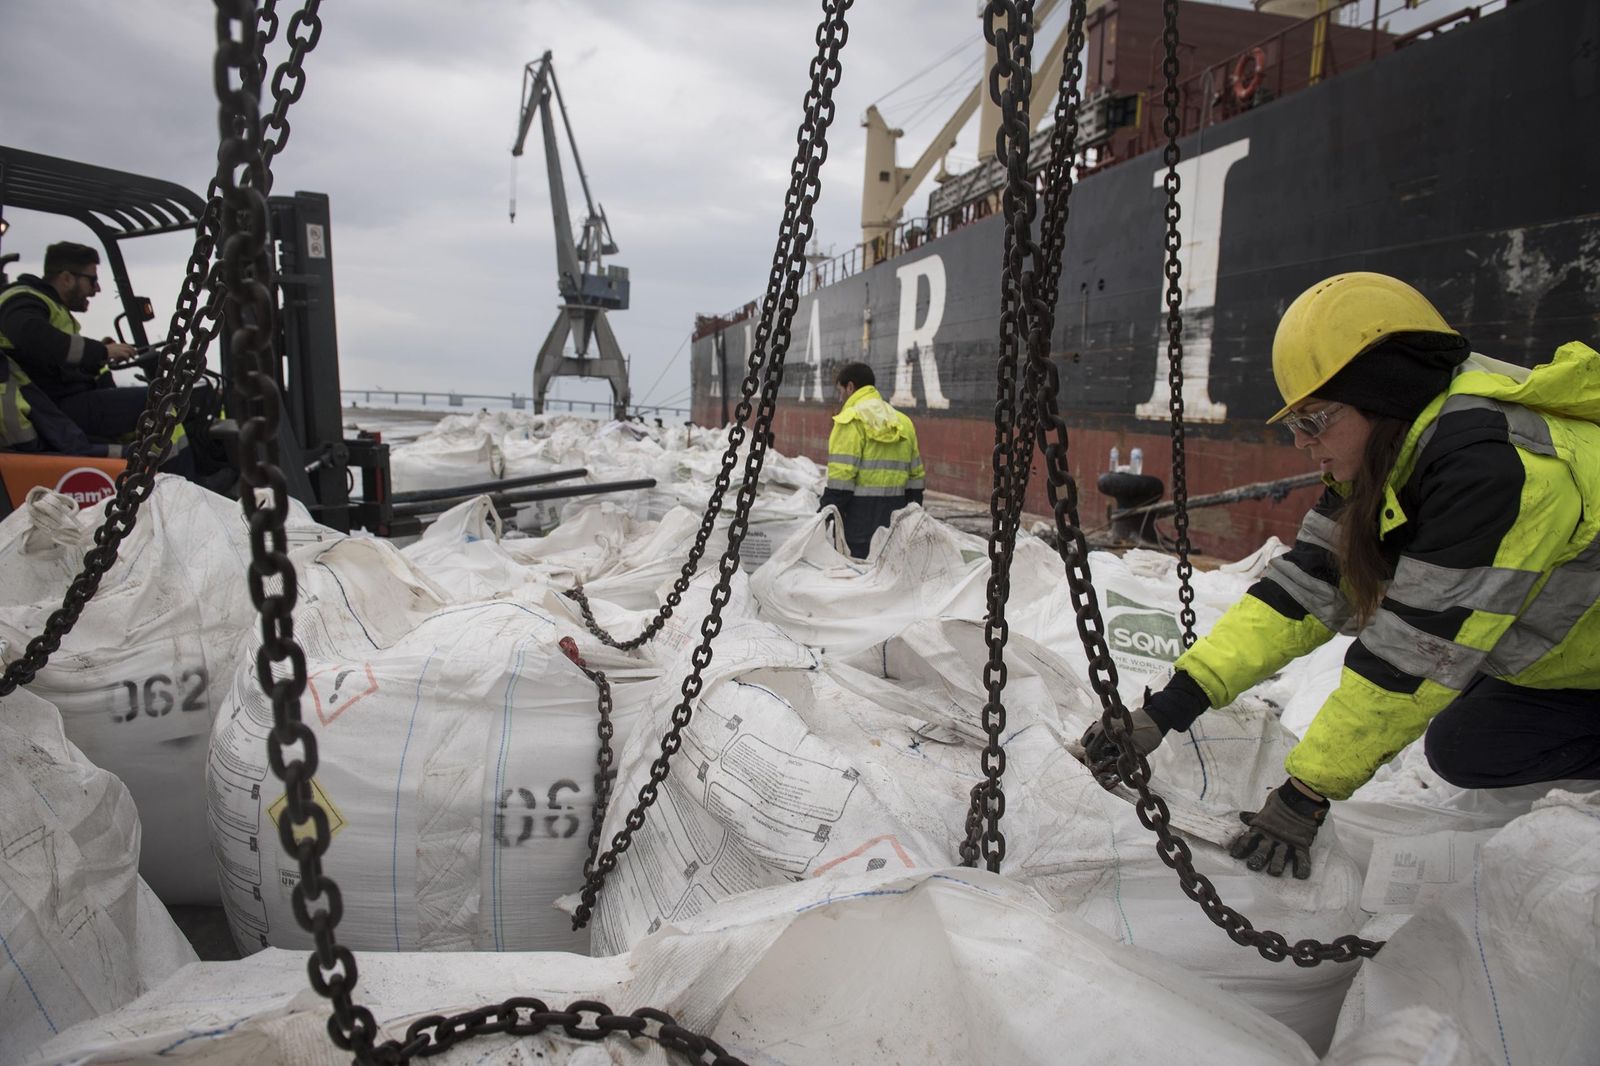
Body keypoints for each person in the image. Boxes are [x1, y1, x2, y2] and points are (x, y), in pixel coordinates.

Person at [1083, 272, 1600, 879]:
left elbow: (1413, 656)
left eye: (1314, 422)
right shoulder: (1391, 458)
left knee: (1465, 747)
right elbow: (1299, 595)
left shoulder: (1496, 475)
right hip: (1565, 654)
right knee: (1455, 710)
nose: (1303, 445)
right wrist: (1167, 708)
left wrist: (1304, 795)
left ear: (1384, 398)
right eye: (1294, 426)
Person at [0, 241, 191, 471]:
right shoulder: (21, 299)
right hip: (52, 408)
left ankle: (145, 470)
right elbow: (32, 337)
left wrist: (98, 356)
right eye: (92, 280)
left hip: (60, 401)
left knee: (142, 409)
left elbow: (51, 361)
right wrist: (102, 351)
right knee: (159, 403)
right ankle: (185, 481)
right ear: (67, 278)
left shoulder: (49, 306)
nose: (97, 289)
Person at [818, 362, 926, 558]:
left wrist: (824, 515)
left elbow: (841, 482)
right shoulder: (903, 422)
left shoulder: (850, 420)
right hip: (896, 520)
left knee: (855, 571)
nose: (840, 398)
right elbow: (916, 479)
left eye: (840, 391)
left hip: (858, 521)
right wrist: (911, 517)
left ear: (850, 387)